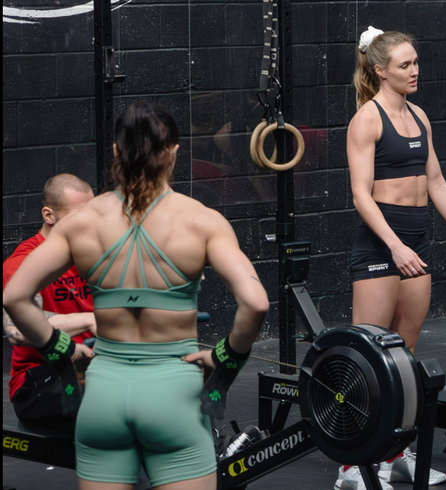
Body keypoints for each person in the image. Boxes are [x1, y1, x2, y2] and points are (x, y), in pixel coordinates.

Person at [2, 101, 268, 490]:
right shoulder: (203, 221)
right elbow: (256, 303)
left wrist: (65, 351)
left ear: (115, 151)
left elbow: (15, 297)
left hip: (103, 395)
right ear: (174, 151)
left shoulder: (83, 223)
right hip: (173, 394)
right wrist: (224, 359)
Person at [343, 25, 446, 488]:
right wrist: (394, 245)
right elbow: (361, 196)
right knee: (370, 357)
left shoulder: (420, 117)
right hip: (382, 244)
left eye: (416, 63)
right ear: (380, 70)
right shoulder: (367, 119)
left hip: (417, 242)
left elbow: (437, 183)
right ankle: (351, 466)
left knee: (403, 357)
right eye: (405, 65)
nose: (414, 71)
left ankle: (394, 452)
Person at [3, 174, 97, 431]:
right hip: (39, 379)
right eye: (78, 217)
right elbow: (18, 330)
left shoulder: (93, 254)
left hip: (93, 365)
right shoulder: (23, 263)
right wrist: (90, 319)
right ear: (49, 215)